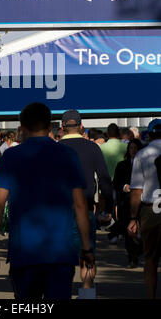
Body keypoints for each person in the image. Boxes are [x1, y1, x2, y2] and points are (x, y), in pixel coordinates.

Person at [0, 102, 94, 300]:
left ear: (22, 127)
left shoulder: (11, 156)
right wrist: (86, 247)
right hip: (60, 252)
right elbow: (79, 205)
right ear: (49, 126)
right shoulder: (67, 155)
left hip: (24, 252)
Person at [60, 109, 113, 288]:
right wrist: (109, 208)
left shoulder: (55, 148)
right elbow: (105, 179)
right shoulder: (92, 147)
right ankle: (87, 291)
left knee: (62, 260)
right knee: (87, 254)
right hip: (87, 208)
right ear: (82, 126)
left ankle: (62, 291)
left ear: (62, 127)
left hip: (60, 212)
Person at [128, 119, 161, 299]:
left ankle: (151, 296)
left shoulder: (142, 154)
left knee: (150, 259)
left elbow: (136, 191)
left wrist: (133, 218)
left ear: (149, 134)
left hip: (151, 209)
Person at [113, 139, 143, 268]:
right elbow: (116, 183)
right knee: (128, 231)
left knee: (142, 230)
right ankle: (132, 257)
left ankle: (139, 252)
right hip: (126, 202)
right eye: (131, 148)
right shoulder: (122, 165)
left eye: (135, 148)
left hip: (142, 202)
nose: (133, 151)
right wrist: (124, 186)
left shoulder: (145, 164)